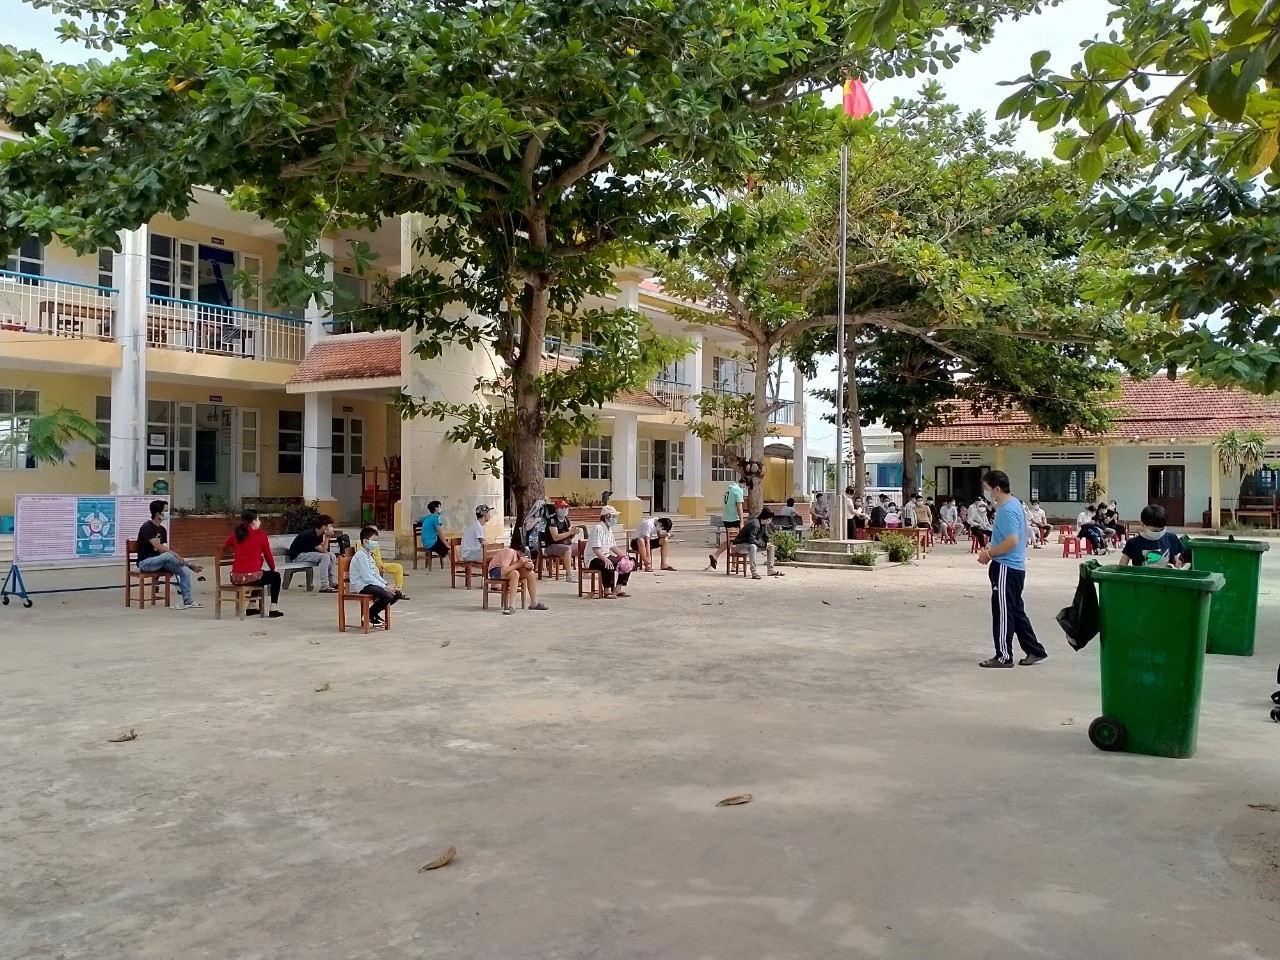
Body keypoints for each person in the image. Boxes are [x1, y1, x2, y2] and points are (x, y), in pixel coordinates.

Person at [976, 470, 1047, 668]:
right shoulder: (1014, 504)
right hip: (1015, 567)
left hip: (1006, 567)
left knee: (1003, 612)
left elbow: (1012, 540)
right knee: (1015, 611)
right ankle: (1035, 650)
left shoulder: (1007, 510)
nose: (986, 492)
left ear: (996, 489)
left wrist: (989, 554)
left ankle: (1003, 656)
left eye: (987, 488)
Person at [135, 499, 203, 610]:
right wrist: (176, 555)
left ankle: (188, 600)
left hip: (161, 562)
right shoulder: (147, 527)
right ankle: (190, 565)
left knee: (184, 571)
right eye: (166, 511)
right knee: (168, 556)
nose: (168, 513)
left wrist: (174, 561)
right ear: (158, 513)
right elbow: (159, 547)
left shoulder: (162, 530)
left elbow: (163, 550)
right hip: (146, 562)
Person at [223, 509, 283, 618]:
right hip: (251, 577)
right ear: (253, 521)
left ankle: (252, 605)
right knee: (274, 576)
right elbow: (268, 556)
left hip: (235, 577)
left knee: (259, 574)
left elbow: (227, 543)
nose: (260, 521)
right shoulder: (261, 535)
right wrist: (273, 568)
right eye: (258, 519)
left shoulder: (237, 534)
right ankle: (273, 608)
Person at [349, 525, 399, 628]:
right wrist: (385, 587)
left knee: (396, 594)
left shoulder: (369, 555)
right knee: (387, 596)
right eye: (374, 540)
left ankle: (374, 614)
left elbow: (374, 574)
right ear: (365, 541)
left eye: (377, 541)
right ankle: (368, 615)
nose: (375, 543)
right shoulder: (361, 556)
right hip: (363, 586)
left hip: (371, 584)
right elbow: (367, 578)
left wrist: (386, 584)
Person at [487, 530, 549, 614]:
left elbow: (530, 566)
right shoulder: (510, 552)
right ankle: (512, 605)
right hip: (496, 571)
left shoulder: (521, 555)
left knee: (530, 573)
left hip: (510, 568)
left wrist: (530, 566)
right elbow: (504, 571)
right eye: (523, 554)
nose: (523, 556)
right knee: (515, 574)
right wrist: (519, 564)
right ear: (520, 551)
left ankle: (534, 602)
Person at [1119, 504, 1185, 567]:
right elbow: (1122, 565)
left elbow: (1176, 560)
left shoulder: (1171, 538)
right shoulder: (1133, 543)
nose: (1159, 532)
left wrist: (1177, 564)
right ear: (1143, 525)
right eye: (1155, 531)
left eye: (1162, 529)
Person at [288, 514, 338, 593]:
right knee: (325, 557)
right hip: (298, 556)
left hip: (307, 554)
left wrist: (326, 537)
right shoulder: (311, 535)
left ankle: (332, 582)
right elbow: (323, 550)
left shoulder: (319, 534)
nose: (332, 528)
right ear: (324, 527)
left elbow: (324, 550)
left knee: (332, 555)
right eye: (330, 526)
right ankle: (324, 585)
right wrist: (327, 537)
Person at [589, 505, 632, 598]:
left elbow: (612, 546)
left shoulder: (609, 529)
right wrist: (605, 559)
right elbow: (596, 549)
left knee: (626, 563)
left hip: (605, 555)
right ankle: (607, 590)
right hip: (594, 558)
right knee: (608, 565)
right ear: (606, 517)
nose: (615, 519)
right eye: (613, 517)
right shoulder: (598, 528)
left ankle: (618, 588)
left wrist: (623, 556)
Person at [732, 507, 784, 579]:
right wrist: (763, 545)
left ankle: (770, 570)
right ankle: (754, 572)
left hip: (751, 544)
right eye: (771, 519)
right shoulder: (755, 525)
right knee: (752, 546)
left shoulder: (763, 524)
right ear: (768, 519)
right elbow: (751, 539)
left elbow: (766, 536)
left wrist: (768, 543)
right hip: (739, 546)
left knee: (770, 547)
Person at [709, 479, 745, 569]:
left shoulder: (729, 489)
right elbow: (739, 507)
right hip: (734, 518)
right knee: (734, 541)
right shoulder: (738, 490)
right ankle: (717, 555)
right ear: (744, 484)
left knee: (732, 540)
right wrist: (742, 521)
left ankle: (733, 564)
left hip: (727, 518)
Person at [367, 526, 409, 599]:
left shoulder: (376, 544)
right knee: (376, 570)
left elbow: (378, 557)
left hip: (379, 564)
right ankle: (378, 592)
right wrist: (376, 565)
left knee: (398, 567)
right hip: (370, 566)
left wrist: (380, 564)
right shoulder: (361, 543)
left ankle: (398, 590)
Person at [541, 499, 577, 570]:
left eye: (566, 508)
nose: (564, 510)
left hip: (564, 543)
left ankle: (586, 570)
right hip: (551, 546)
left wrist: (573, 533)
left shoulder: (566, 520)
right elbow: (555, 537)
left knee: (582, 546)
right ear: (557, 510)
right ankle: (569, 573)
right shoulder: (552, 520)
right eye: (562, 508)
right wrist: (570, 532)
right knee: (568, 549)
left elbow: (570, 535)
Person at [419, 500, 450, 564]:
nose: (441, 509)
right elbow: (440, 533)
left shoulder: (427, 517)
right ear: (436, 509)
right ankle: (457, 566)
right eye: (440, 507)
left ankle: (460, 564)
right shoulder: (436, 518)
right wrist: (447, 545)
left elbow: (416, 519)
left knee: (451, 545)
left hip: (426, 543)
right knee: (450, 551)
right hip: (432, 543)